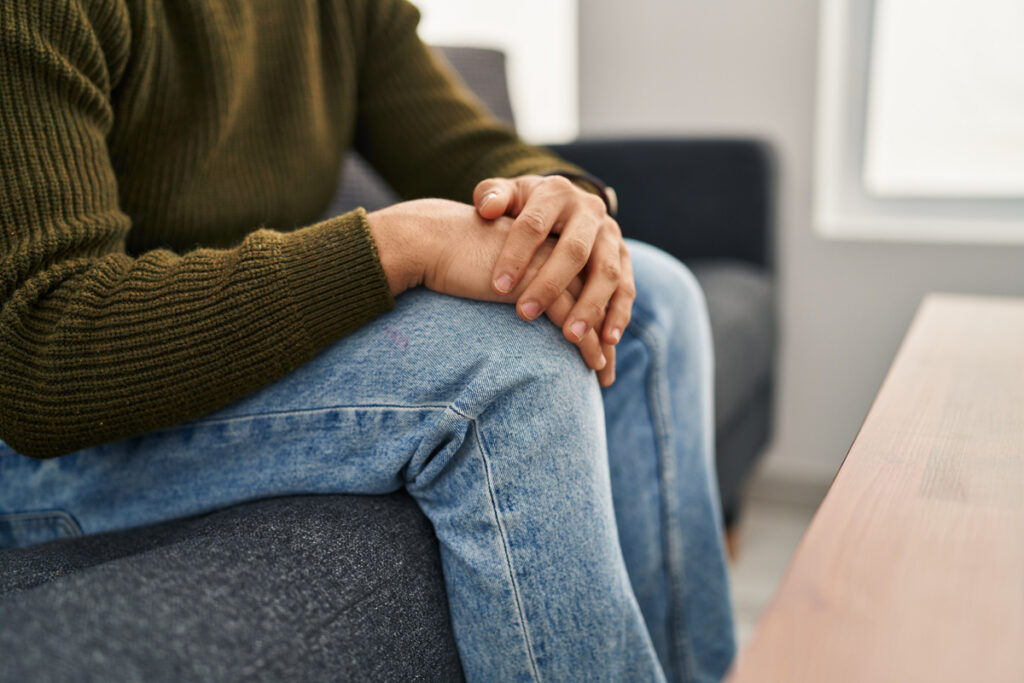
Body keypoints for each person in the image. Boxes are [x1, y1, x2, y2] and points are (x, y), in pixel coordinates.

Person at [0, 0, 735, 680]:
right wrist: (398, 243)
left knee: (652, 300)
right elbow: (46, 348)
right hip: (62, 434)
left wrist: (559, 203)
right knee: (509, 369)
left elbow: (459, 144)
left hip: (220, 368)